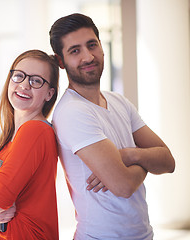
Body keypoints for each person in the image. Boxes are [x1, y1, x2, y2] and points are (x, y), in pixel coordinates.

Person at [49, 13, 175, 239]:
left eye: (92, 45)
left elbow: (168, 161)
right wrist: (145, 158)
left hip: (143, 234)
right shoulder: (72, 112)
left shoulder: (118, 101)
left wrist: (127, 156)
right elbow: (123, 186)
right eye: (75, 51)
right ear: (61, 61)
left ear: (102, 46)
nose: (88, 57)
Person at [0, 49, 60, 239]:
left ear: (49, 94)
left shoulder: (35, 131)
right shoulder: (11, 136)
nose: (24, 85)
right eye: (19, 76)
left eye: (36, 81)